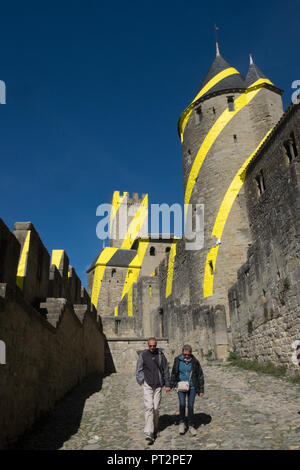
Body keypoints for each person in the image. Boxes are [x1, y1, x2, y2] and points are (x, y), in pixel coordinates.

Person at [136, 337, 171, 444]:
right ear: (148, 345)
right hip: (148, 385)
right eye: (150, 346)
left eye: (154, 346)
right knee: (149, 407)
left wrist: (167, 384)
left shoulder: (161, 355)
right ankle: (149, 433)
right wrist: (142, 380)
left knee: (156, 408)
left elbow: (165, 369)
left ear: (156, 345)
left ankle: (155, 427)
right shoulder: (143, 355)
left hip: (158, 385)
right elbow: (139, 369)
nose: (152, 347)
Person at [171, 344, 204, 436]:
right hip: (181, 386)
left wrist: (201, 389)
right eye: (184, 354)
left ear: (190, 353)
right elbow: (174, 372)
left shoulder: (195, 362)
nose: (186, 356)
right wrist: (171, 384)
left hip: (192, 387)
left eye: (188, 355)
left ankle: (190, 425)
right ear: (182, 353)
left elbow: (200, 375)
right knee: (182, 404)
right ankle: (182, 423)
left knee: (190, 406)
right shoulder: (177, 360)